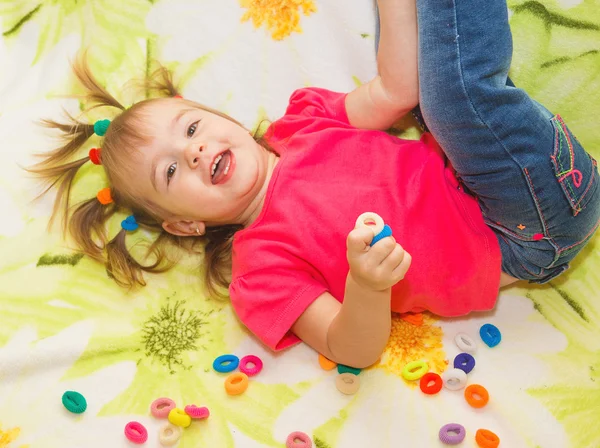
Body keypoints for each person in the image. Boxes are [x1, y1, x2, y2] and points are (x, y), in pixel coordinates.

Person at [30, 0, 599, 369]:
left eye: (193, 127)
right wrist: (368, 287)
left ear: (218, 116)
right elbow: (352, 347)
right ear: (183, 224)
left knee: (430, 91)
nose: (196, 150)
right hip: (525, 230)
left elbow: (395, 90)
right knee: (452, 100)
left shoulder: (300, 123)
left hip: (495, 167)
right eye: (172, 170)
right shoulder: (259, 270)